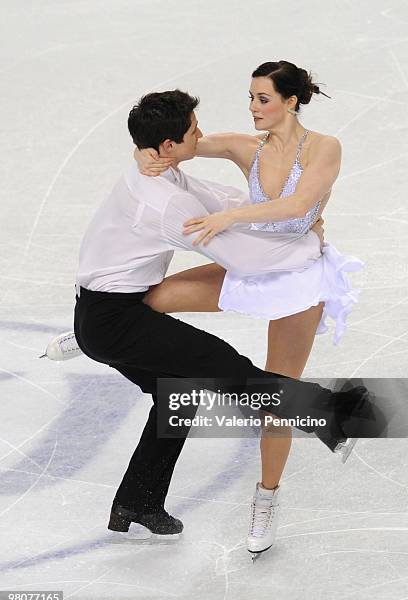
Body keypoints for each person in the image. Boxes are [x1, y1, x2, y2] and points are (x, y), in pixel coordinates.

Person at [44, 88, 375, 560]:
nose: (201, 135)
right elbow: (247, 258)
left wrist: (286, 220)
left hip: (106, 313)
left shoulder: (162, 170)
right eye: (192, 132)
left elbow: (221, 199)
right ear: (166, 146)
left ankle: (135, 502)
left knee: (178, 397)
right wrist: (308, 241)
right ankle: (327, 413)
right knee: (225, 365)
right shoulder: (164, 203)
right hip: (115, 320)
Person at [131, 61, 364, 556]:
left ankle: (266, 497)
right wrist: (147, 153)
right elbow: (182, 144)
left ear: (291, 101)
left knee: (276, 402)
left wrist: (230, 215)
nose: (253, 107)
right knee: (154, 299)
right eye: (251, 98)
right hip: (253, 264)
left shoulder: (325, 148)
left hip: (298, 278)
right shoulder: (246, 146)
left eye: (262, 98)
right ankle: (88, 334)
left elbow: (299, 203)